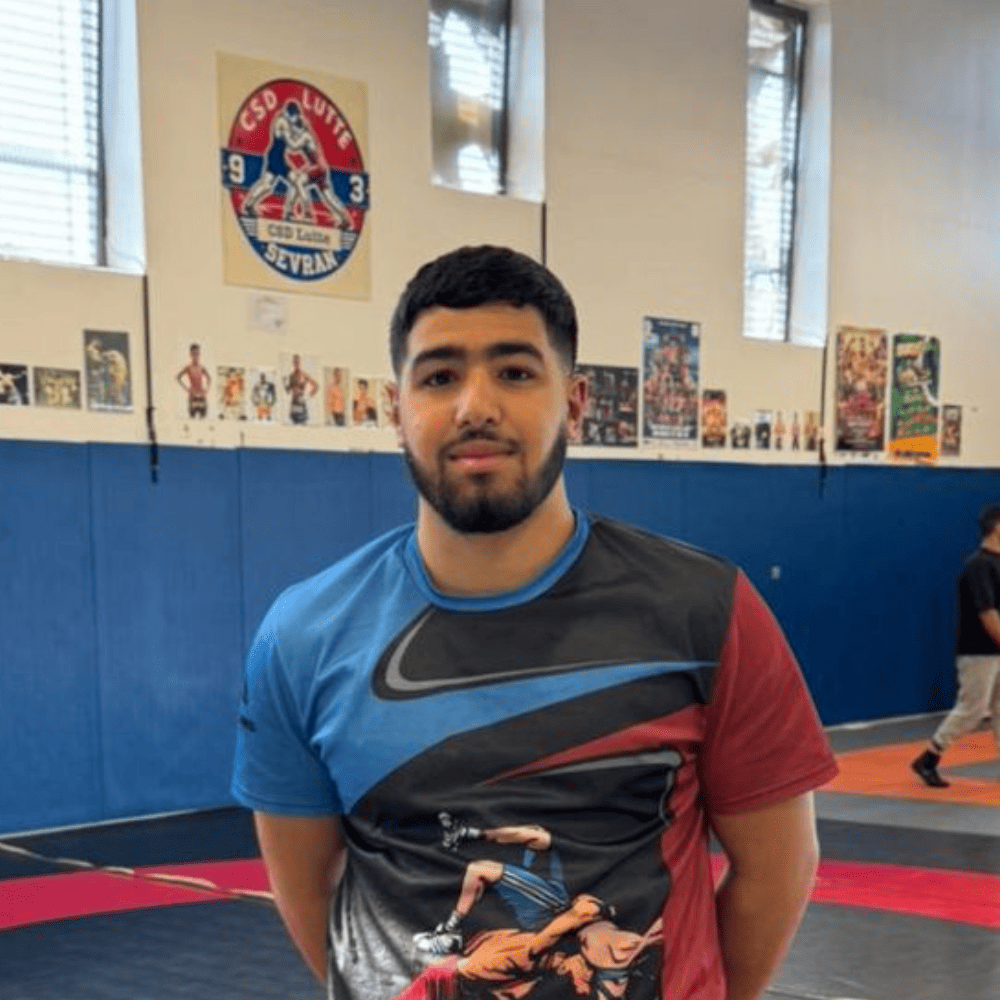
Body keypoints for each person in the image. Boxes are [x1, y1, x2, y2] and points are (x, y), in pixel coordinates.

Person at [233, 245, 838, 1000]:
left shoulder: (705, 609)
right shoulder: (304, 635)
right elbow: (308, 894)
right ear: (396, 410)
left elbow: (777, 868)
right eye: (439, 377)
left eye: (515, 372)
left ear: (575, 402)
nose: (475, 406)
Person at [911, 505, 1000, 788]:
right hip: (979, 652)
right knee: (973, 710)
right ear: (997, 527)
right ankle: (929, 758)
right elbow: (987, 612)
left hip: (995, 651)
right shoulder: (978, 565)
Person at [177, 343, 210, 418]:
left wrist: (206, 389)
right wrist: (187, 389)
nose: (195, 356)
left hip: (201, 396)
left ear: (199, 354)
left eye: (197, 354)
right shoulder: (188, 367)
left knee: (203, 418)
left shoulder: (201, 367)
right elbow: (179, 377)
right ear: (191, 355)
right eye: (194, 354)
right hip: (192, 396)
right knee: (192, 417)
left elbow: (209, 378)